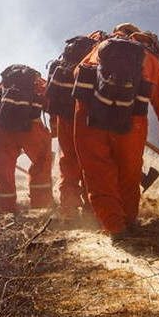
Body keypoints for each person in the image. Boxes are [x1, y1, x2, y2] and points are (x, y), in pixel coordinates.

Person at [72, 23, 159, 242]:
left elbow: (78, 73)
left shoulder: (99, 48)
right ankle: (129, 222)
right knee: (129, 173)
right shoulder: (149, 60)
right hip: (130, 125)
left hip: (90, 121)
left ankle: (114, 227)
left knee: (98, 175)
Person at [45, 31, 107, 222]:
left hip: (64, 119)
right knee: (91, 163)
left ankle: (68, 211)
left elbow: (50, 98)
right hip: (87, 120)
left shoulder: (63, 65)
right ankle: (92, 209)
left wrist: (55, 125)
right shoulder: (95, 62)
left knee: (68, 164)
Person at [0, 64, 53, 214]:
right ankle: (41, 206)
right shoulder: (38, 83)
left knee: (3, 169)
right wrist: (54, 128)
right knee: (42, 163)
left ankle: (6, 209)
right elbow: (50, 102)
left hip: (1, 129)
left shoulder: (1, 86)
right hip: (31, 128)